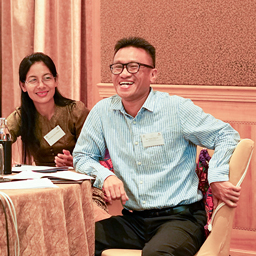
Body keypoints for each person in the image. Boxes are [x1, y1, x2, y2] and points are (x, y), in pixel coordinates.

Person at [73, 37, 241, 256]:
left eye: (133, 67)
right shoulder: (103, 111)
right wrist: (105, 176)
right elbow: (82, 156)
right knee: (74, 241)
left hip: (180, 218)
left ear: (153, 74)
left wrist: (216, 177)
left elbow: (226, 135)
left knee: (156, 253)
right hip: (133, 219)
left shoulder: (176, 109)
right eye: (117, 67)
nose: (124, 73)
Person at [7, 52, 89, 167]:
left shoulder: (75, 111)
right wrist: (5, 158)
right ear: (23, 86)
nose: (41, 85)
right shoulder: (21, 116)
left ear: (55, 80)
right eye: (33, 80)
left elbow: (94, 153)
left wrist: (76, 161)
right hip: (40, 180)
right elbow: (3, 135)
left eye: (47, 78)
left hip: (77, 179)